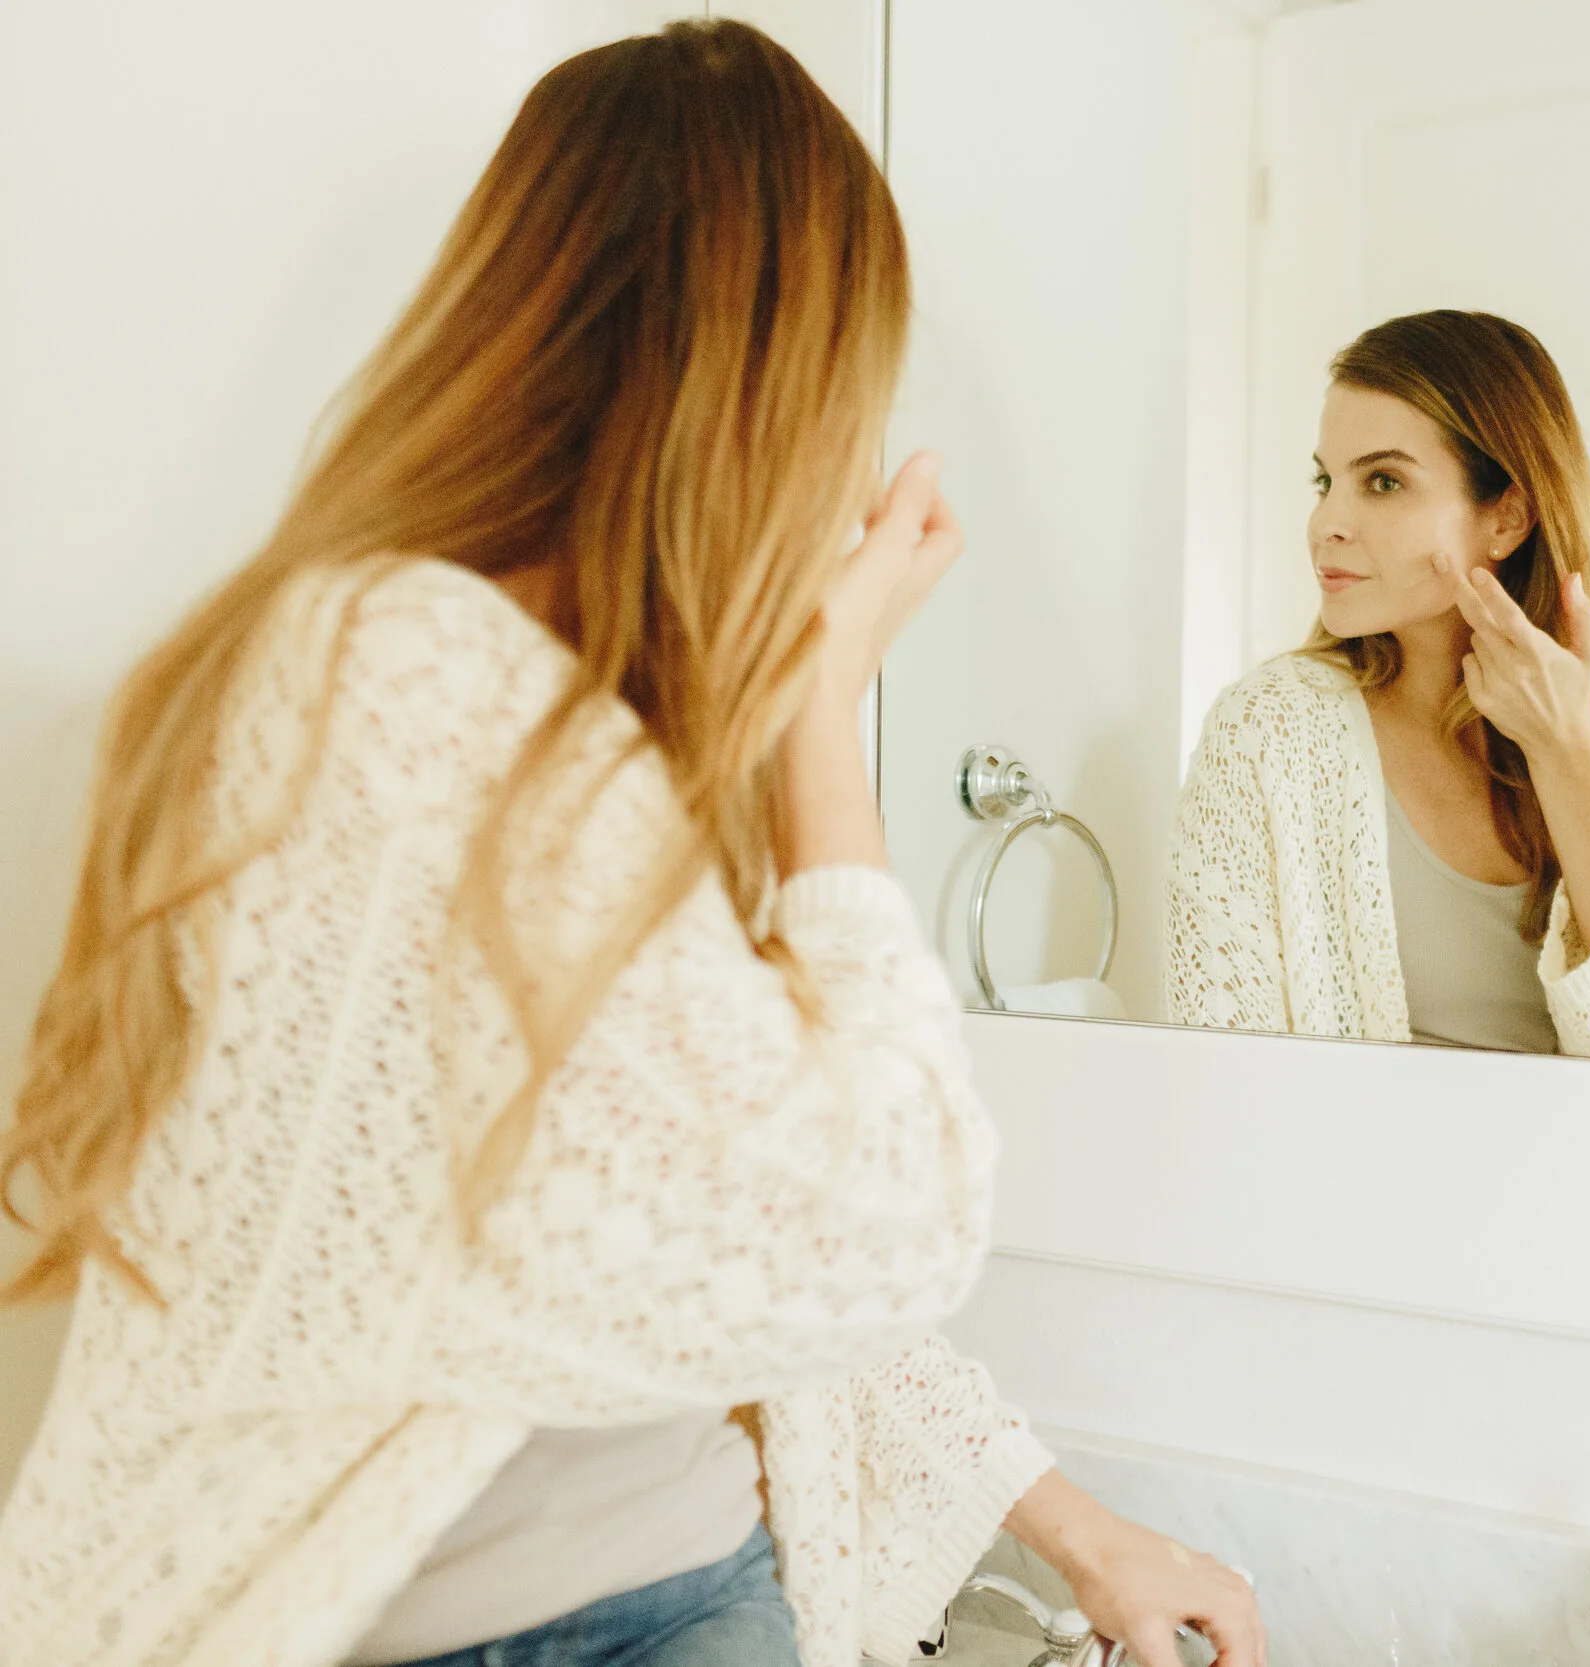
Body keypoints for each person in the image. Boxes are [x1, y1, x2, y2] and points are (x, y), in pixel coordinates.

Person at [0, 22, 1260, 1667]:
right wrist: (821, 713)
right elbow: (886, 1223)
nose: (854, 472)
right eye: (851, 396)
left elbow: (731, 1246)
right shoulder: (395, 677)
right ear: (766, 384)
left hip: (690, 1583)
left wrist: (1083, 1531)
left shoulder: (587, 732)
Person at [1166, 310, 1590, 1063]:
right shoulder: (1269, 733)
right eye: (1325, 481)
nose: (1326, 523)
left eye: (1383, 481)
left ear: (1506, 517)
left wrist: (1567, 748)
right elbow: (1220, 1066)